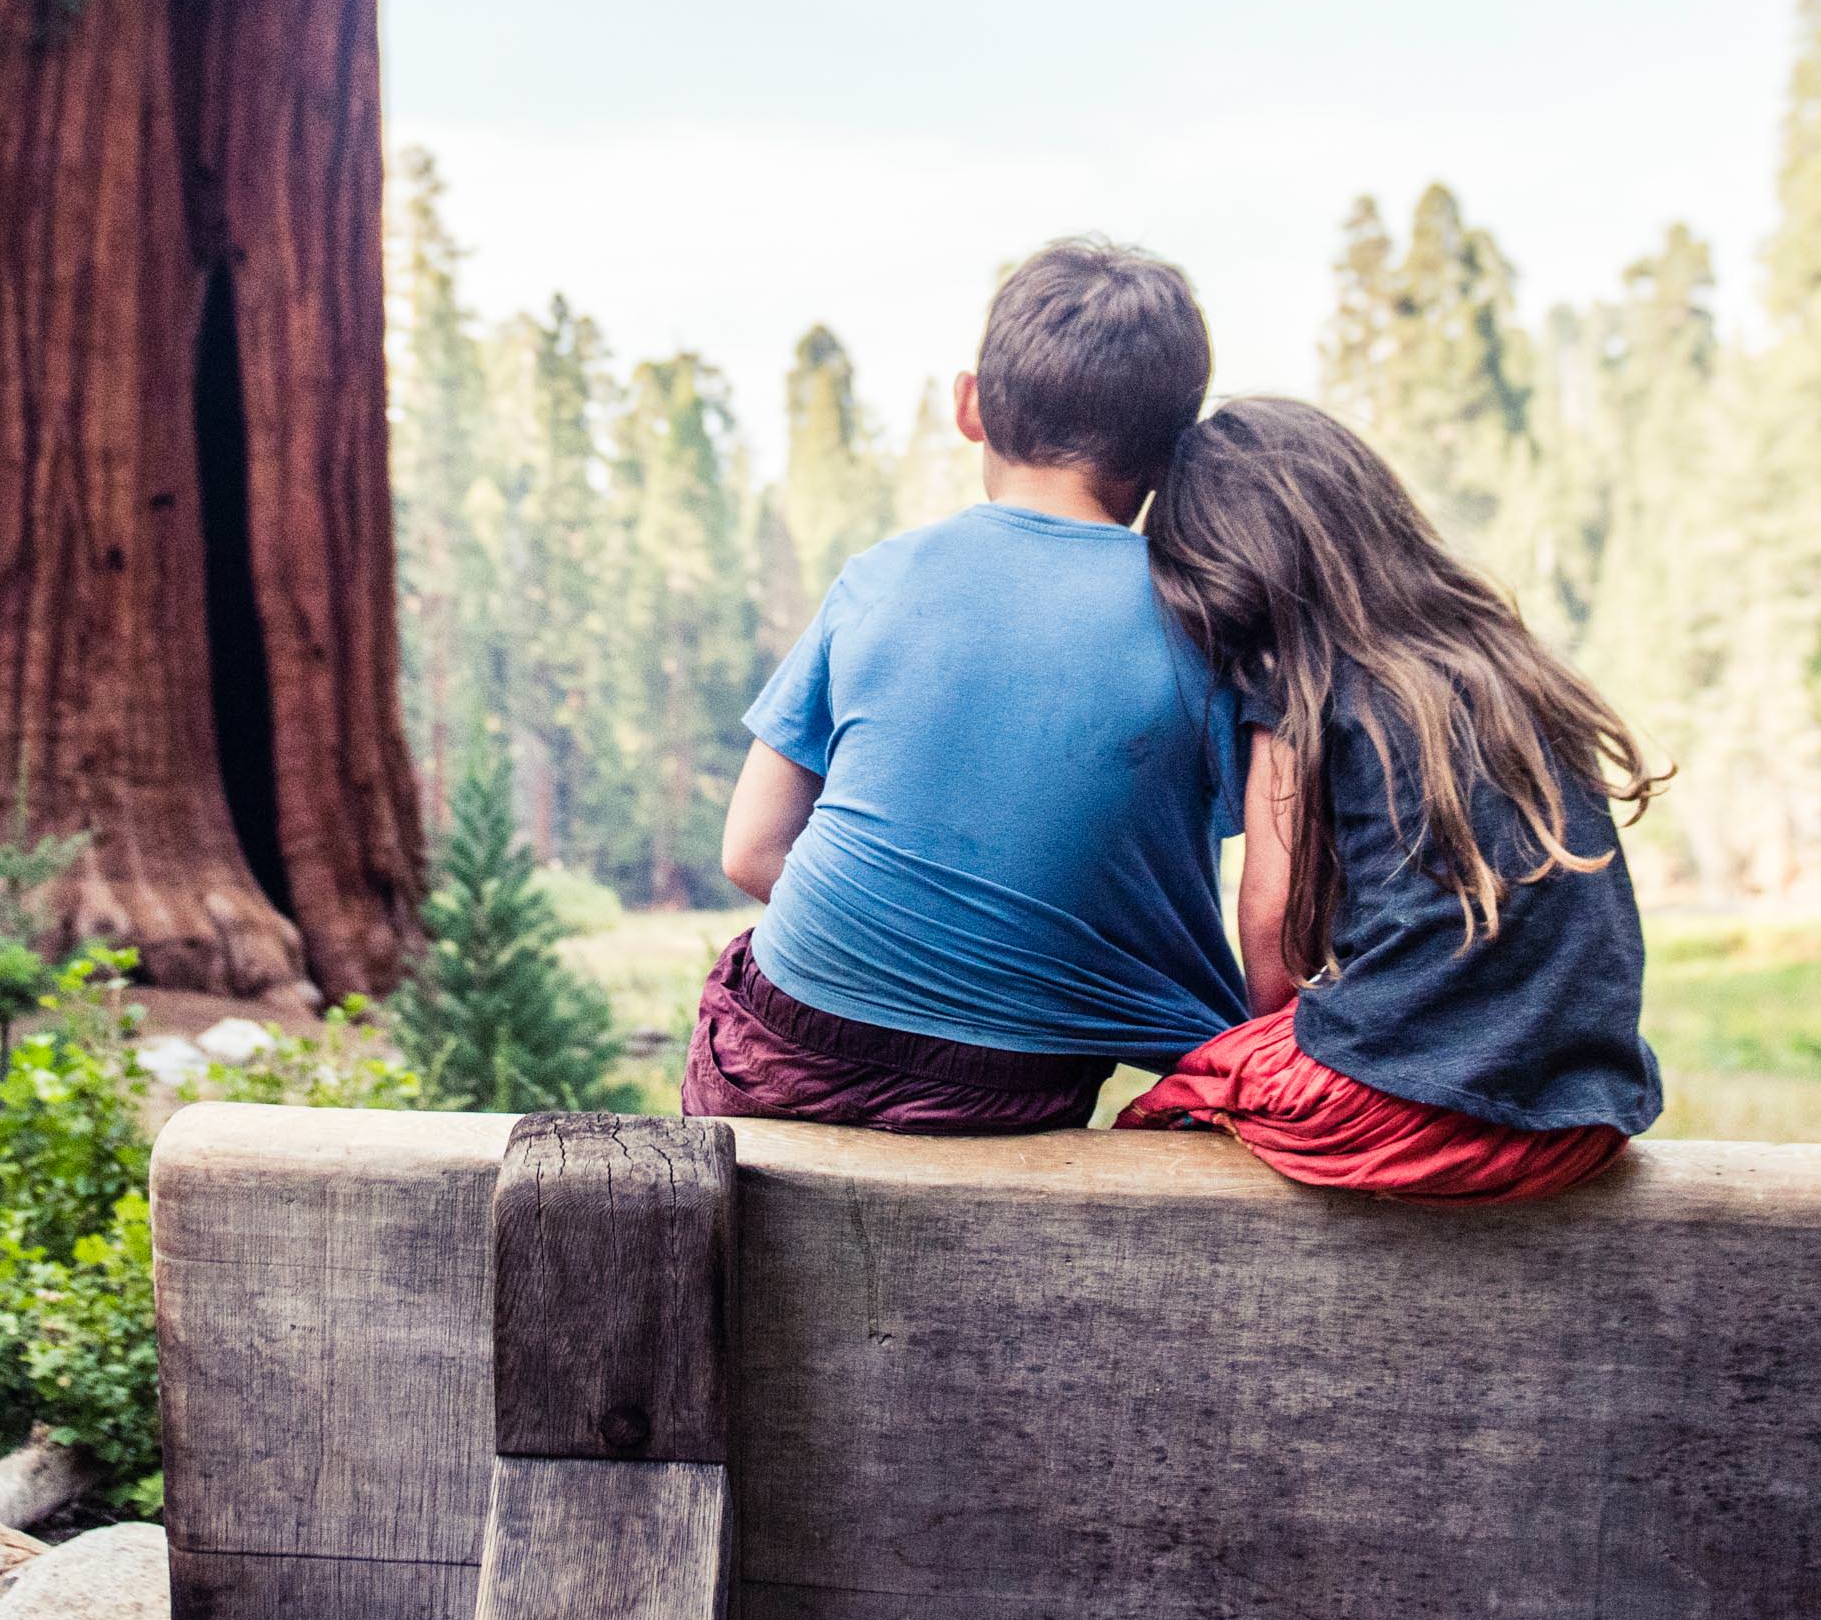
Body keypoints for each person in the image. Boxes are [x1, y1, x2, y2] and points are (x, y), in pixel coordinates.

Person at [688, 238, 1248, 1131]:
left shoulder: (879, 577)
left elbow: (750, 852)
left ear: (971, 405)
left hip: (785, 1043)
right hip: (1011, 1081)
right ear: (1177, 449)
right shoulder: (1207, 627)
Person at [1119, 396, 1660, 1199]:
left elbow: (1271, 923)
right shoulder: (1505, 665)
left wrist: (1269, 1043)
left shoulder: (1293, 673)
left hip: (1401, 1118)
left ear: (1230, 573)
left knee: (1167, 1110)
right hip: (1578, 1121)